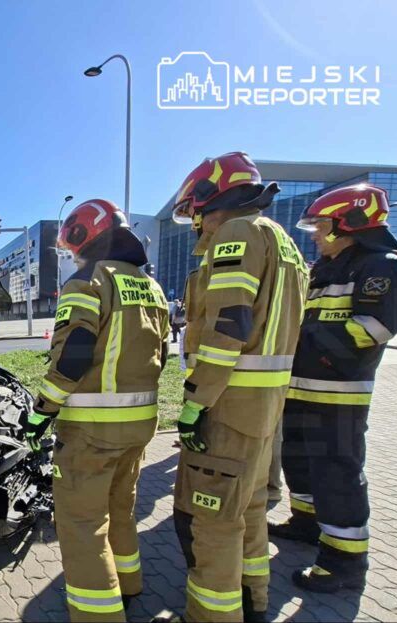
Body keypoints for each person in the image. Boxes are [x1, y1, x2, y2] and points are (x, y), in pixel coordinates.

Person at [170, 152, 308, 622]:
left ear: (212, 197)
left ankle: (212, 615)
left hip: (228, 402)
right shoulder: (284, 242)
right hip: (265, 405)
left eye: (195, 209)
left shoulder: (237, 233)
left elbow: (228, 327)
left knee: (211, 521)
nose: (195, 221)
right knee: (248, 508)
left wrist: (195, 401)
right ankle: (253, 600)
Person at [24, 199, 168, 622]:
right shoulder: (150, 286)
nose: (69, 255)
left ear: (84, 238)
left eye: (70, 246)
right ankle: (129, 584)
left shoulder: (87, 281)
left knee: (83, 524)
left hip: (92, 431)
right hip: (140, 425)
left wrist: (42, 411)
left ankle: (97, 614)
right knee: (121, 508)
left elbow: (74, 355)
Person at [270, 184, 397, 593]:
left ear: (348, 223)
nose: (314, 234)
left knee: (337, 475)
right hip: (301, 390)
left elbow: (377, 327)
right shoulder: (328, 267)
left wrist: (308, 345)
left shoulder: (380, 266)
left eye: (321, 226)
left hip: (337, 395)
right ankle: (306, 524)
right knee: (298, 463)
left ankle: (344, 563)